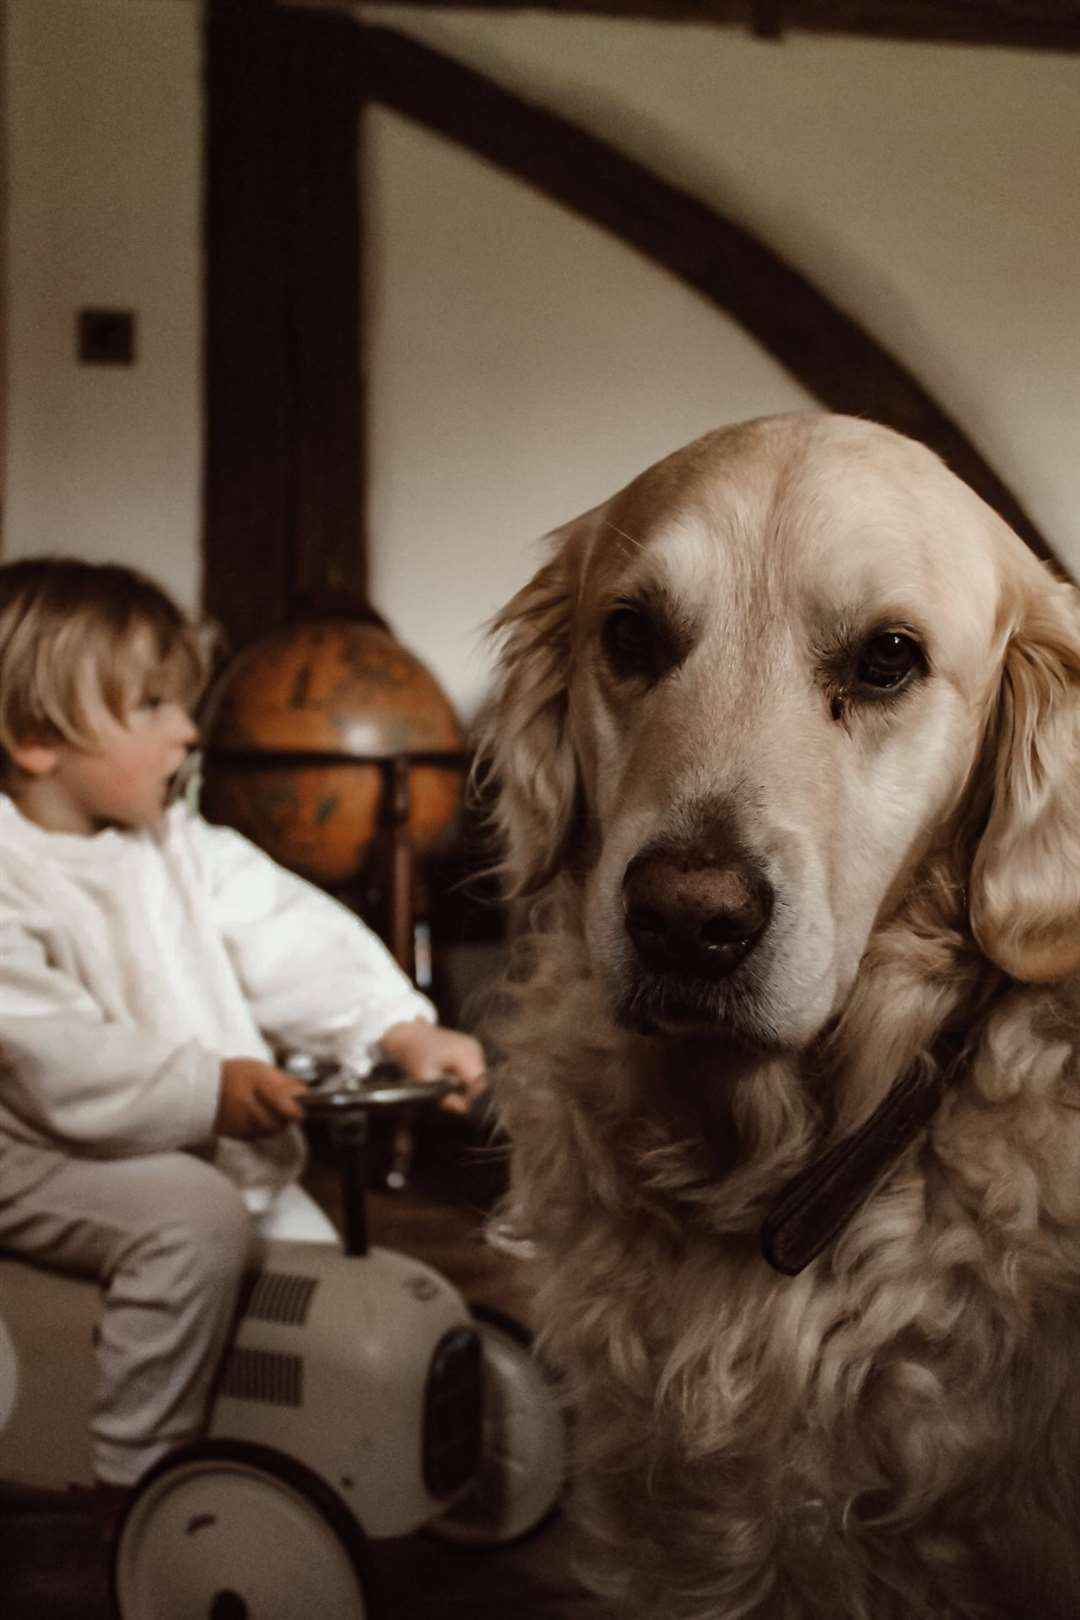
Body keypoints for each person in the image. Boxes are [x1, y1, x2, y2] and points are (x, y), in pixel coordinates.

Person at [0, 556, 487, 1531]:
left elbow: (288, 930)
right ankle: (135, 1485)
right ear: (34, 737)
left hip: (185, 1141)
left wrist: (394, 1028)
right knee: (191, 1218)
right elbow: (41, 1051)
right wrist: (203, 1088)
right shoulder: (8, 870)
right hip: (33, 1152)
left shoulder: (177, 847)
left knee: (324, 1283)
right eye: (150, 707)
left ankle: (331, 1463)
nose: (188, 729)